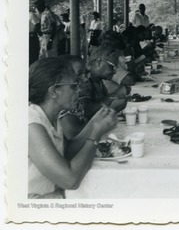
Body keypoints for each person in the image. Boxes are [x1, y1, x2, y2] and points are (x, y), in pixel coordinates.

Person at [28, 57, 117, 198]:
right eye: (74, 85)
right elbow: (70, 181)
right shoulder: (32, 125)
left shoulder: (50, 116)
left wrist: (94, 123)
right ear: (53, 92)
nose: (79, 90)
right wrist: (95, 135)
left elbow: (66, 152)